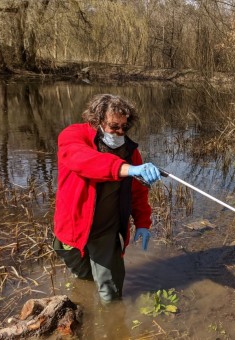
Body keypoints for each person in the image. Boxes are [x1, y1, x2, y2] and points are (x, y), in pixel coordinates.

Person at [53, 94, 161, 302]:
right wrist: (125, 169)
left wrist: (143, 223)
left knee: (110, 293)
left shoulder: (130, 152)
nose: (120, 132)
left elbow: (138, 193)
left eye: (124, 127)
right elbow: (82, 161)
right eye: (114, 126)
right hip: (72, 225)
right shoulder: (73, 136)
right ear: (97, 121)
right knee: (83, 277)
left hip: (106, 230)